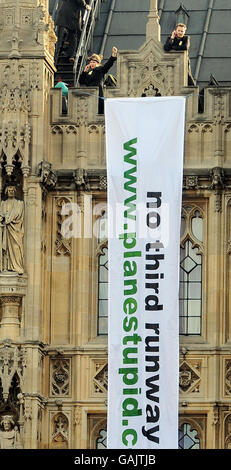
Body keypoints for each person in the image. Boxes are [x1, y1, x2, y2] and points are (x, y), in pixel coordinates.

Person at [79, 46, 118, 114]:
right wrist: (84, 72)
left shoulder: (100, 70)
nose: (91, 63)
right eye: (90, 62)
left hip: (98, 95)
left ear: (98, 63)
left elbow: (108, 65)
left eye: (94, 62)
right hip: (90, 95)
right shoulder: (89, 73)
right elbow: (81, 81)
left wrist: (113, 55)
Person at [0, 185, 24, 274]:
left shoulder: (19, 203)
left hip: (15, 229)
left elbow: (18, 214)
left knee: (16, 248)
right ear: (6, 192)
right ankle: (5, 267)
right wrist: (2, 219)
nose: (11, 192)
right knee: (5, 249)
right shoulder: (3, 203)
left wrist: (7, 219)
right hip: (5, 230)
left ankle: (16, 266)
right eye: (9, 191)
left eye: (12, 191)